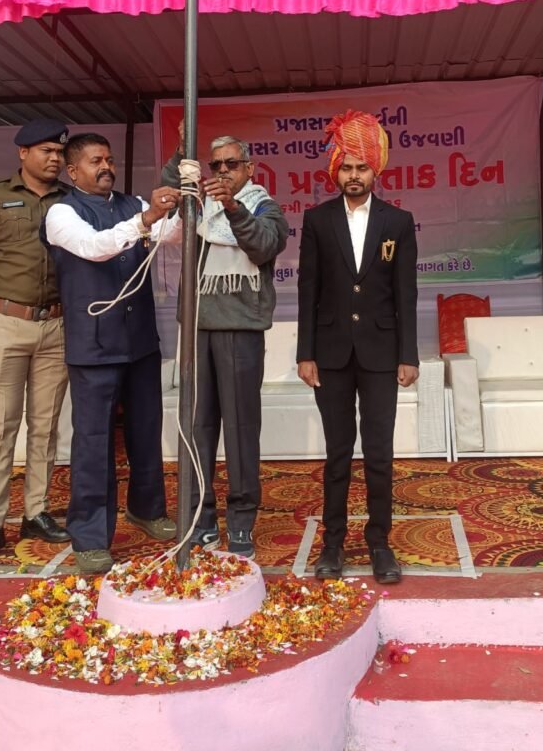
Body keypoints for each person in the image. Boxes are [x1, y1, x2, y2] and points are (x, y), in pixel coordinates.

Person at [44, 133, 181, 574]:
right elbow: (95, 247)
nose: (106, 167)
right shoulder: (61, 212)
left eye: (109, 159)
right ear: (73, 171)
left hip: (139, 341)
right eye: (95, 161)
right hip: (94, 346)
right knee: (93, 442)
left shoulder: (131, 202)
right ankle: (89, 536)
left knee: (146, 431)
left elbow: (172, 234)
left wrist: (179, 201)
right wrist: (147, 218)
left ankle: (146, 509)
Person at [296, 110, 419, 585]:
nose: (353, 175)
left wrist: (408, 355)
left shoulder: (398, 222)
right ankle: (333, 544)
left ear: (375, 169)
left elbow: (406, 293)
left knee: (380, 454)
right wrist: (305, 353)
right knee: (337, 453)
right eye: (346, 167)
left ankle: (379, 542)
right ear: (335, 170)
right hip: (330, 355)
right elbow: (308, 289)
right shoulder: (317, 220)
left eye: (361, 167)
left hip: (382, 354)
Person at [164, 135, 288, 559]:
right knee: (197, 429)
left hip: (240, 329)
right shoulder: (198, 209)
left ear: (249, 168)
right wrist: (181, 150)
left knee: (239, 430)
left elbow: (264, 245)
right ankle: (201, 519)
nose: (221, 171)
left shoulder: (264, 207)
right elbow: (170, 186)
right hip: (197, 327)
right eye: (215, 165)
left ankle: (240, 522)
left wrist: (233, 207)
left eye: (231, 164)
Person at [0, 119, 71, 564]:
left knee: (45, 426)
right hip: (7, 322)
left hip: (56, 326)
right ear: (23, 153)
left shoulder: (70, 199)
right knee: (1, 427)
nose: (55, 158)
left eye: (59, 152)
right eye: (46, 151)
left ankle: (35, 512)